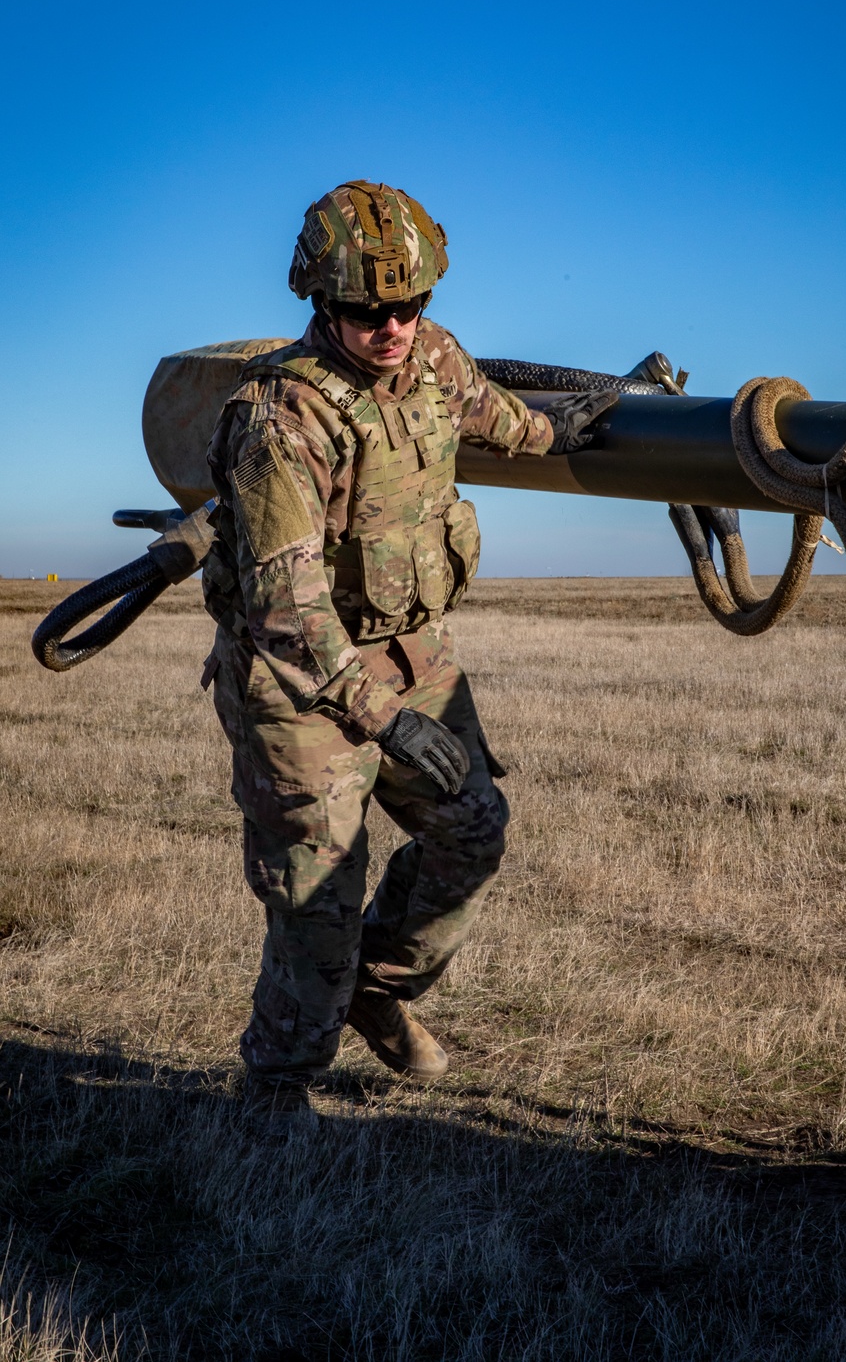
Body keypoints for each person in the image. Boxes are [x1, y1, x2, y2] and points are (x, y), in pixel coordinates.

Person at [201, 181, 616, 1127]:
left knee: (472, 825)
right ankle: (275, 1088)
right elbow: (283, 610)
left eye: (411, 305)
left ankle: (376, 989)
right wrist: (382, 718)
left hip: (408, 651)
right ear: (319, 301)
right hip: (300, 680)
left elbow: (493, 415)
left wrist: (565, 425)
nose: (393, 326)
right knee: (318, 890)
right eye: (367, 311)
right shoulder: (279, 420)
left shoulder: (433, 355)